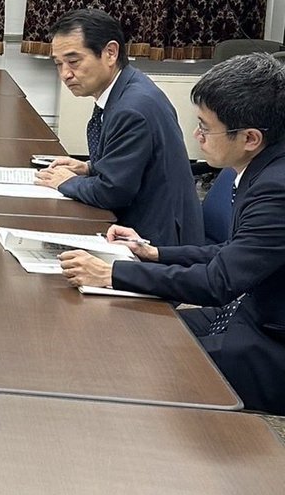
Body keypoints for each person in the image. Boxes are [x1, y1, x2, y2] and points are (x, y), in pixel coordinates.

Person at [59, 52, 285, 414]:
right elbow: (235, 251)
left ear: (250, 138)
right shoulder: (263, 167)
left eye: (205, 128)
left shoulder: (275, 189)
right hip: (247, 311)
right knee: (135, 329)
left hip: (270, 340)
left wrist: (111, 274)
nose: (196, 136)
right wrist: (155, 253)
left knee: (145, 365)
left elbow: (217, 283)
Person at [35, 8, 202, 245]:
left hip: (158, 239)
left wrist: (66, 182)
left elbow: (112, 193)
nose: (65, 74)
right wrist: (89, 168)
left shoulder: (132, 109)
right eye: (58, 64)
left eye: (73, 62)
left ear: (110, 53)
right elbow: (135, 166)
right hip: (147, 222)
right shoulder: (128, 86)